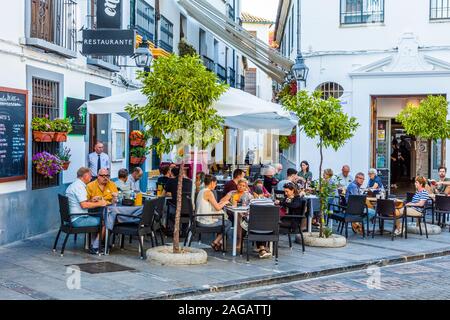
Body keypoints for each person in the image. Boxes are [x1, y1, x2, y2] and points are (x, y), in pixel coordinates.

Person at [65, 167, 107, 254]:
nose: (91, 178)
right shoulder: (80, 187)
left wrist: (92, 200)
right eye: (90, 176)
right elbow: (84, 205)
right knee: (105, 222)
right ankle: (95, 247)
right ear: (85, 176)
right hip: (78, 219)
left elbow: (81, 202)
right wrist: (100, 203)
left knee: (96, 218)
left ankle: (93, 244)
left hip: (71, 218)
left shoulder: (73, 185)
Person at [196, 175, 232, 251]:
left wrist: (222, 203)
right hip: (205, 221)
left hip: (199, 219)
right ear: (212, 183)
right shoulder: (208, 192)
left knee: (223, 222)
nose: (215, 186)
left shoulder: (201, 191)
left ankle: (219, 242)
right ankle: (216, 242)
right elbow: (218, 208)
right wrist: (225, 202)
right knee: (228, 223)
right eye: (215, 184)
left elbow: (215, 205)